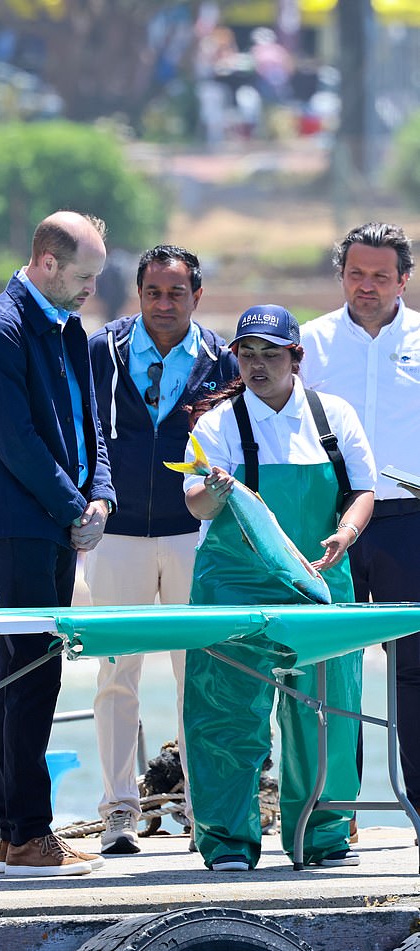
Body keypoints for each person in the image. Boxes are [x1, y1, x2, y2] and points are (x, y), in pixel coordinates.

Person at [181, 304, 375, 871]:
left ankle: (323, 836)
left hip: (321, 583)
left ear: (297, 358)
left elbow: (362, 490)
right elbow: (194, 501)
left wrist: (345, 533)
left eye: (270, 354)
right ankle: (228, 843)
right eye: (246, 355)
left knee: (327, 711)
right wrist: (215, 491)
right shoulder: (218, 424)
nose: (257, 365)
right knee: (227, 711)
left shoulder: (333, 415)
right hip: (233, 586)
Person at [0, 210, 116, 877]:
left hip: (60, 519)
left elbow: (91, 425)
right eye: (83, 277)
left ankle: (18, 831)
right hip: (21, 523)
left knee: (28, 668)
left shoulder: (69, 328)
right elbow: (16, 440)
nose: (91, 291)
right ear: (47, 263)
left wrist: (101, 495)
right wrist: (74, 505)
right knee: (32, 670)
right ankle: (27, 833)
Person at [86, 244, 239, 853]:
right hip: (117, 532)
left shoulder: (223, 360)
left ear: (197, 296)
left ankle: (204, 807)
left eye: (177, 292)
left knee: (195, 676)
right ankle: (119, 810)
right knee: (116, 672)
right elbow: (84, 429)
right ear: (139, 293)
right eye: (154, 292)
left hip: (192, 534)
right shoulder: (103, 350)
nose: (164, 303)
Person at [300, 222, 420, 818]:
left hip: (409, 522)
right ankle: (334, 814)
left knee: (416, 670)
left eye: (379, 276)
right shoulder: (307, 344)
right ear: (340, 275)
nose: (366, 286)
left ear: (404, 278)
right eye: (355, 274)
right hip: (329, 523)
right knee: (330, 670)